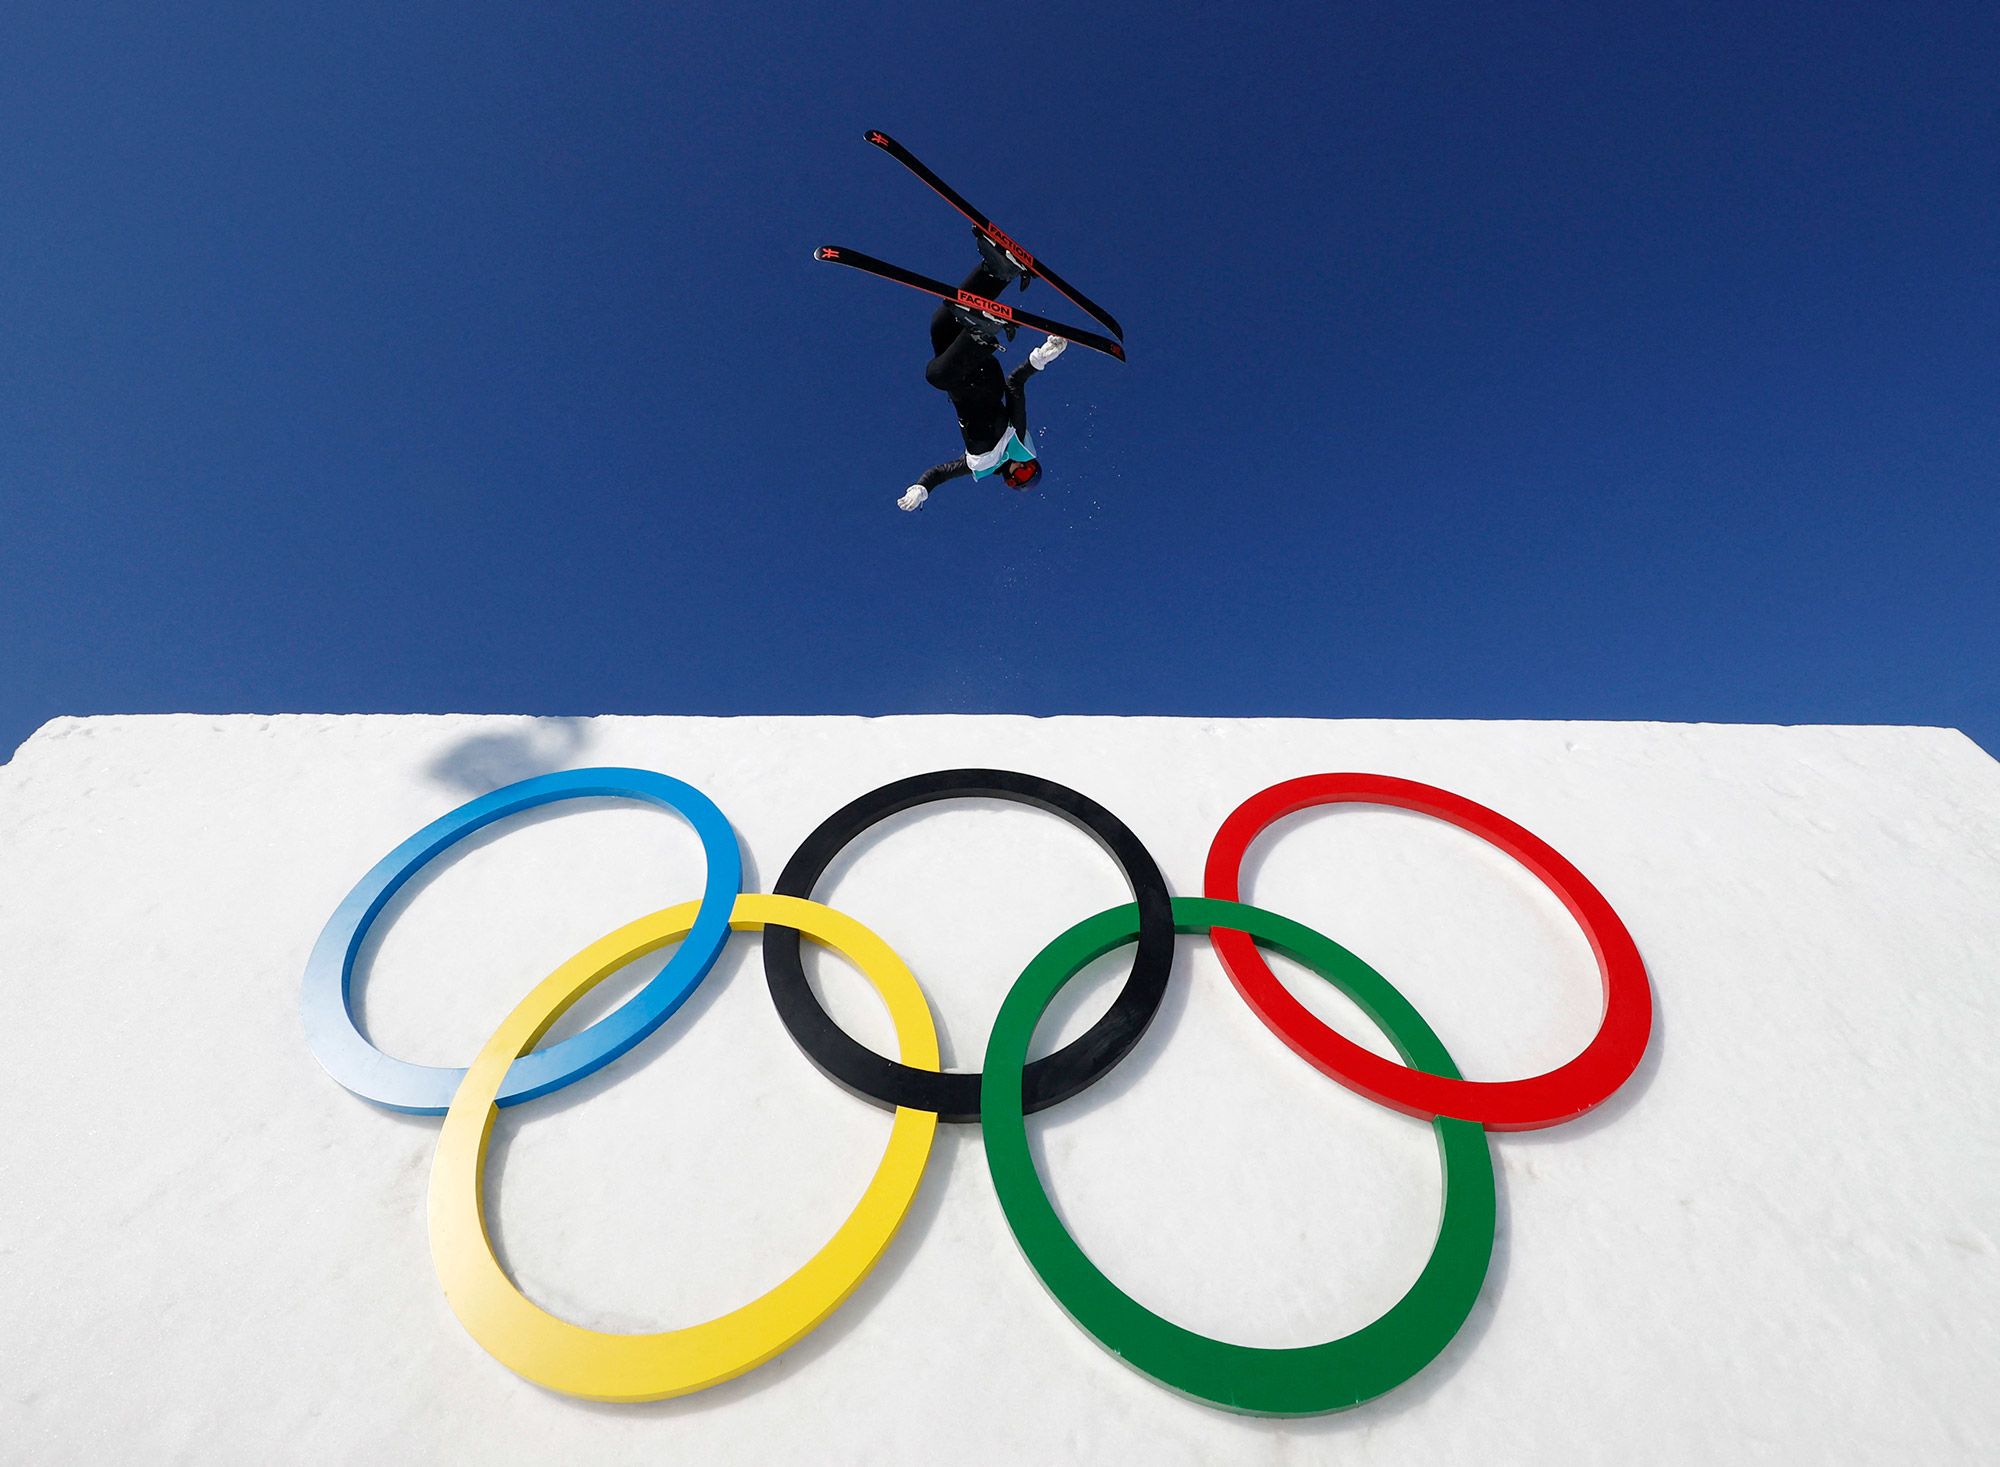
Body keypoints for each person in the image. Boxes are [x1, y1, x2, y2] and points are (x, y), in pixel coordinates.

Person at [897, 232, 1068, 512]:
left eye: (1018, 479)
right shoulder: (1016, 439)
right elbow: (1015, 384)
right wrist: (1041, 357)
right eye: (1027, 470)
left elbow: (939, 473)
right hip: (982, 376)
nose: (1018, 471)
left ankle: (999, 271)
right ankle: (980, 334)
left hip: (960, 370)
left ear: (1008, 481)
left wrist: (921, 488)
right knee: (935, 376)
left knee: (941, 324)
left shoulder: (976, 466)